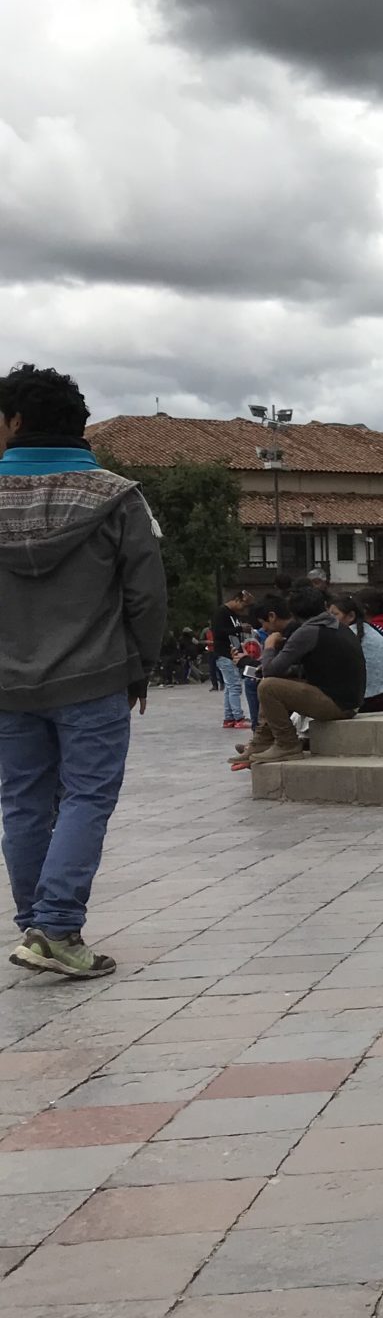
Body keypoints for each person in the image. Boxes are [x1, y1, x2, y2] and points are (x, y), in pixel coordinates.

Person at [0, 364, 167, 979]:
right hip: (95, 677)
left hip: (6, 685)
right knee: (87, 798)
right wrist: (140, 666)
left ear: (15, 422)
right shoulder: (118, 496)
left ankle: (36, 926)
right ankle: (58, 926)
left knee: (22, 802)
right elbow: (147, 596)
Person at [245, 583, 364, 765]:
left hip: (337, 704)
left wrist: (269, 646)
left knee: (268, 687)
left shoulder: (308, 631)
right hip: (350, 699)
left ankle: (287, 744)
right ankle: (261, 742)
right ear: (323, 606)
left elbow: (270, 671)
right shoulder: (335, 625)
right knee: (279, 682)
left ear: (294, 614)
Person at [334, 594, 383, 713]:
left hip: (374, 698)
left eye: (334, 614)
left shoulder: (347, 635)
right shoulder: (372, 630)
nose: (330, 619)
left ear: (351, 616)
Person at [209, 589, 253, 728]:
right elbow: (219, 632)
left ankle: (229, 717)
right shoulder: (221, 613)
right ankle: (238, 717)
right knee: (234, 686)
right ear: (237, 600)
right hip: (224, 653)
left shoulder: (233, 614)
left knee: (230, 686)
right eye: (244, 605)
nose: (244, 609)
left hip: (232, 652)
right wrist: (239, 629)